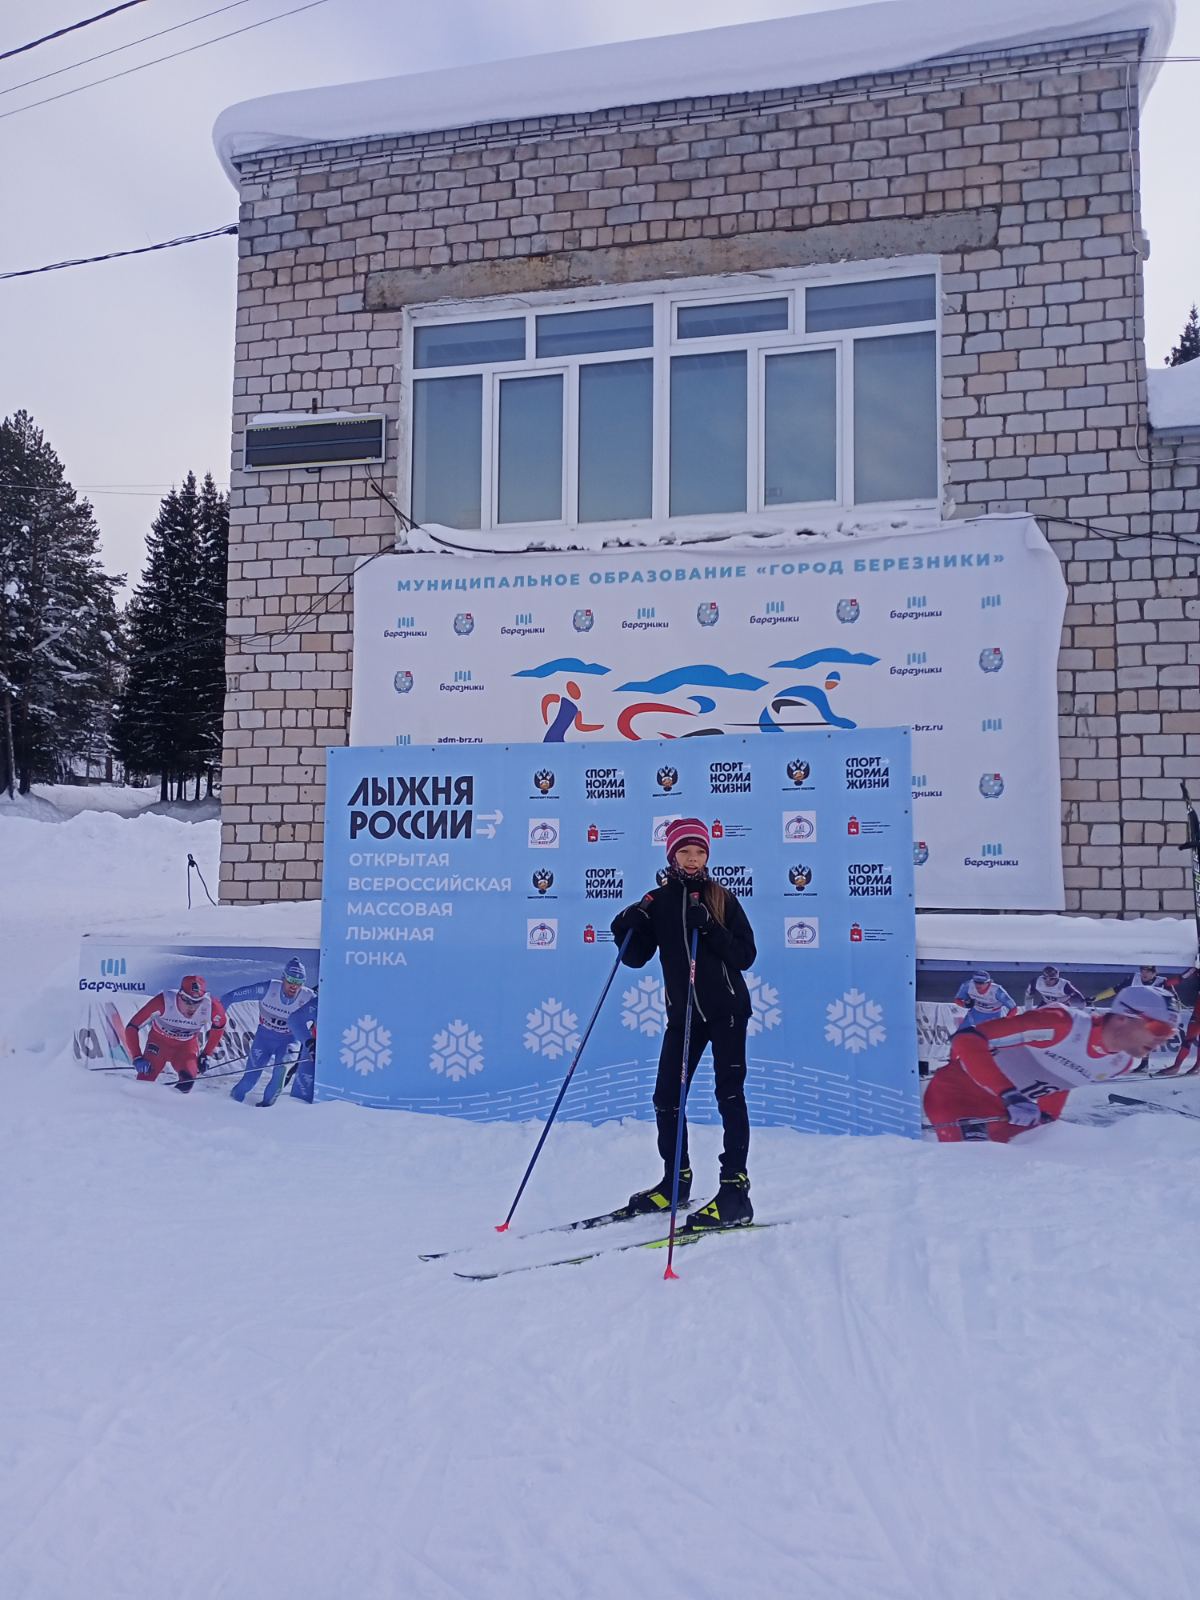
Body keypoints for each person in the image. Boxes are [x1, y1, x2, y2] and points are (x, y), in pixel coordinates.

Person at [610, 817, 757, 1229]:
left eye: (700, 852)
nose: (693, 859)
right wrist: (624, 926)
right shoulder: (658, 901)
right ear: (671, 854)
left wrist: (709, 926)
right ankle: (675, 1183)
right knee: (666, 1098)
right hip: (684, 1016)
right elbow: (634, 957)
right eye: (685, 851)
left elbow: (745, 956)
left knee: (729, 1095)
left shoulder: (721, 898)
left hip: (727, 1012)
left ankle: (734, 1192)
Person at [926, 984, 1177, 1143]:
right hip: (958, 1097)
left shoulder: (1121, 1062)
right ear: (1123, 1017)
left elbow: (1062, 1079)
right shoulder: (1061, 1025)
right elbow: (966, 1039)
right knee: (975, 1174)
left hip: (1008, 1115)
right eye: (1159, 1028)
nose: (1163, 1039)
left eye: (1171, 1033)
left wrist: (1047, 1116)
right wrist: (1009, 1094)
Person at [231, 958, 317, 1106]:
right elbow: (231, 997)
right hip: (264, 1038)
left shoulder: (309, 997)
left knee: (279, 1075)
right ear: (283, 977)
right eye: (291, 980)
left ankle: (266, 1110)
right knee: (250, 1079)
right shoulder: (269, 988)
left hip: (289, 1041)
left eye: (299, 982)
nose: (294, 986)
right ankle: (229, 1103)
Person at [124, 974, 228, 1094]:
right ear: (179, 995)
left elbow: (219, 1028)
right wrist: (137, 1056)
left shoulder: (212, 1007)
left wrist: (206, 1054)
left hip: (185, 1048)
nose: (192, 1007)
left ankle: (170, 1104)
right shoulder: (163, 1002)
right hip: (158, 1045)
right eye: (187, 1000)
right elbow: (132, 1027)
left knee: (188, 1082)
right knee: (144, 1081)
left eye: (197, 1002)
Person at [953, 971, 1017, 1030]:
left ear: (988, 982)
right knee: (961, 1032)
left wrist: (1005, 1021)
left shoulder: (997, 991)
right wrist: (965, 1005)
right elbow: (957, 999)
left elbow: (1013, 1008)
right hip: (974, 1014)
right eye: (976, 982)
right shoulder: (968, 985)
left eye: (981, 983)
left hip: (993, 1016)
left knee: (990, 1035)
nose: (978, 985)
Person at [1023, 965, 1088, 1010]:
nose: (1048, 981)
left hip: (1063, 1006)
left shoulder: (1065, 986)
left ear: (1057, 978)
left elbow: (1079, 999)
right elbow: (1029, 996)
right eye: (1045, 978)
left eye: (1052, 979)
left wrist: (1081, 1007)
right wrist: (1028, 1011)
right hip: (1046, 1004)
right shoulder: (1036, 982)